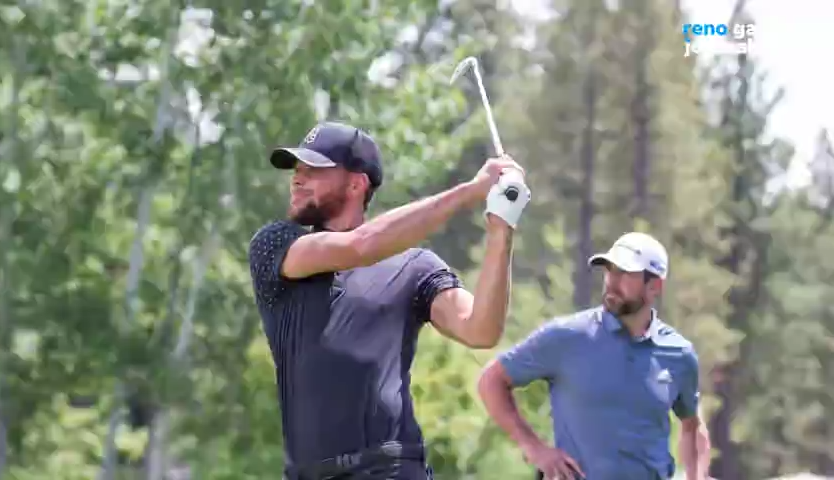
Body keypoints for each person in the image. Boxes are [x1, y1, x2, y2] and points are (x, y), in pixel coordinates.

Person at [247, 121, 531, 480]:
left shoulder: (415, 266)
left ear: (356, 183)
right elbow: (361, 246)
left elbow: (480, 330)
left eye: (313, 170)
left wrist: (500, 230)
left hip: (392, 468)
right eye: (296, 170)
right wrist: (470, 192)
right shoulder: (275, 246)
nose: (298, 179)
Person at [477, 232, 711, 480]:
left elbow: (691, 425)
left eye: (625, 273)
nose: (612, 281)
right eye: (610, 271)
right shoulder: (566, 336)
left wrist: (696, 476)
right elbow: (491, 381)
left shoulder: (679, 354)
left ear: (655, 286)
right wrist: (534, 448)